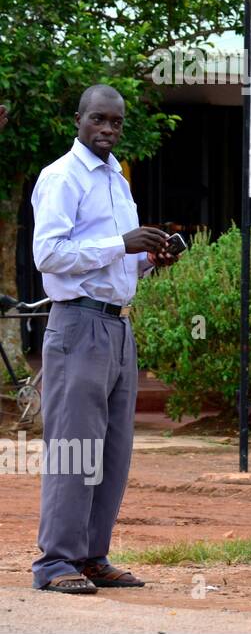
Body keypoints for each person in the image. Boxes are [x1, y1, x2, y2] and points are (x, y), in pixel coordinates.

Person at [31, 85, 177, 594]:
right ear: (79, 119)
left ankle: (92, 556)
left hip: (118, 324)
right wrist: (121, 242)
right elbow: (48, 254)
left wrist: (147, 256)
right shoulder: (61, 177)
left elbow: (116, 257)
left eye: (116, 122)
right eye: (99, 119)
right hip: (77, 324)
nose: (108, 130)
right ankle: (55, 563)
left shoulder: (117, 179)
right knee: (74, 446)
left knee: (112, 450)